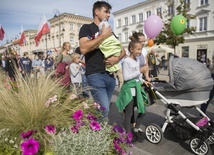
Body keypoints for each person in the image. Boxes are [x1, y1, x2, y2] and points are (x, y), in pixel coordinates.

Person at [79, 1, 126, 121]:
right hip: (95, 75)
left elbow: (123, 51)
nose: (109, 15)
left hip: (110, 76)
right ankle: (100, 134)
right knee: (104, 109)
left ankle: (95, 130)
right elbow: (83, 48)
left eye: (109, 12)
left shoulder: (110, 31)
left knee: (101, 110)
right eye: (106, 11)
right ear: (96, 11)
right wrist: (103, 36)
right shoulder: (87, 28)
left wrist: (117, 58)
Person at [116, 40, 149, 142]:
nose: (140, 51)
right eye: (138, 49)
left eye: (141, 49)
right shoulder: (126, 61)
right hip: (129, 90)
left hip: (137, 89)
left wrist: (144, 80)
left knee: (142, 110)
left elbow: (137, 77)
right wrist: (140, 71)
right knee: (129, 113)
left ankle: (136, 128)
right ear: (131, 49)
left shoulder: (138, 60)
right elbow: (126, 77)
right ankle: (128, 133)